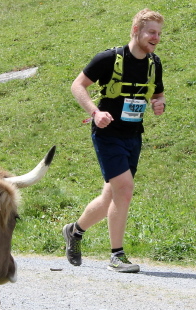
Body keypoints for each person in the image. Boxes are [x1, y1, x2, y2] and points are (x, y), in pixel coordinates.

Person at [64, 8, 166, 273]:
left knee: (111, 195)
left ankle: (74, 231)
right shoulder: (109, 58)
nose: (156, 38)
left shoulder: (154, 63)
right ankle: (116, 256)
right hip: (107, 135)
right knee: (125, 189)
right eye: (151, 32)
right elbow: (78, 85)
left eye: (159, 33)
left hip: (133, 135)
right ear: (136, 30)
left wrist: (159, 103)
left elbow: (158, 94)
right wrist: (95, 113)